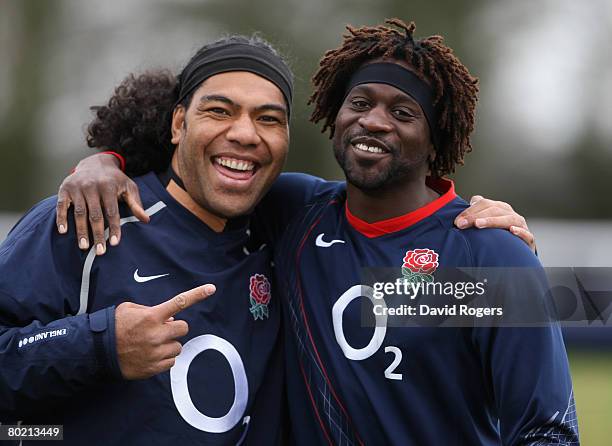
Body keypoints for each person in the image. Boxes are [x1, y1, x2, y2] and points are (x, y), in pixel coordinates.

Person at [54, 24, 541, 445]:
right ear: (335, 115)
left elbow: (548, 429)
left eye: (403, 112)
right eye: (360, 102)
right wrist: (104, 160)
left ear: (437, 141)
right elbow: (207, 166)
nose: (374, 120)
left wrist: (507, 261)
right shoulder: (296, 211)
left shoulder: (491, 253)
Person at [0, 35, 292, 445]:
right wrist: (98, 345)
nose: (245, 133)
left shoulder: (292, 240)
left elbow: (396, 284)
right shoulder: (85, 219)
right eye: (220, 111)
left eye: (268, 119)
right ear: (178, 124)